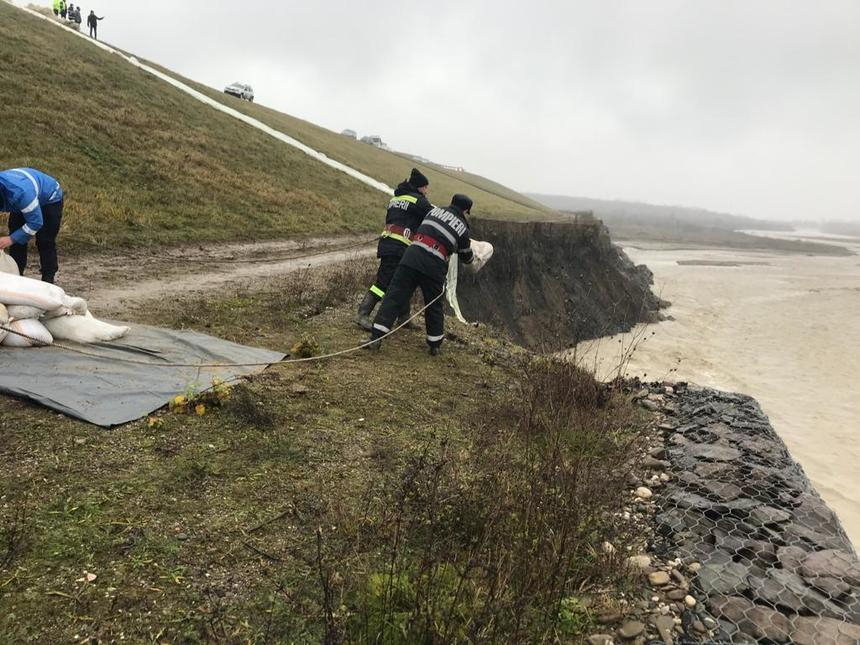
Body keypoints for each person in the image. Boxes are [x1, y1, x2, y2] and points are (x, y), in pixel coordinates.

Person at [367, 194, 475, 356]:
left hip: (410, 257)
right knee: (434, 305)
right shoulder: (462, 227)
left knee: (394, 295)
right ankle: (434, 345)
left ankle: (376, 337)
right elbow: (466, 256)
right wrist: (473, 257)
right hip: (434, 265)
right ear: (466, 211)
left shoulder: (433, 212)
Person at [355, 167, 433, 330]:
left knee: (403, 281)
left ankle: (404, 318)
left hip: (389, 244)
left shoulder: (396, 198)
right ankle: (363, 314)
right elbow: (433, 217)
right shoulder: (418, 201)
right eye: (425, 188)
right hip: (398, 247)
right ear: (420, 187)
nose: (427, 191)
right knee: (383, 283)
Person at [0, 168, 64, 284]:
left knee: (45, 240)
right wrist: (14, 238)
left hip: (50, 199)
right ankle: (16, 276)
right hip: (22, 195)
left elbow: (35, 223)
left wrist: (10, 239)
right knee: (17, 236)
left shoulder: (21, 194)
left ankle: (48, 279)